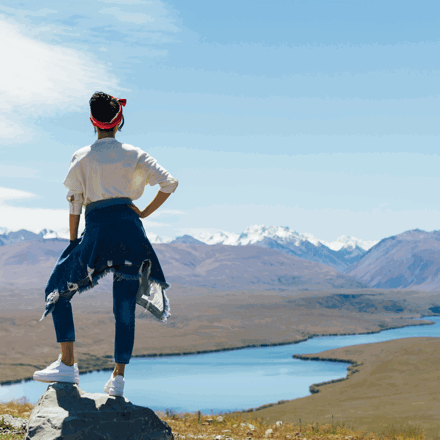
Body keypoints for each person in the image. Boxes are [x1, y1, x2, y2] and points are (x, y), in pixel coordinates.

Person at [33, 92, 178, 397]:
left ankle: (68, 365)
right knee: (123, 307)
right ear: (119, 120)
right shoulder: (135, 154)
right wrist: (143, 211)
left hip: (97, 232)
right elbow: (170, 183)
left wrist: (74, 243)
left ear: (92, 122)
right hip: (130, 232)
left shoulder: (81, 157)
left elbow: (74, 203)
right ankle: (118, 380)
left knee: (57, 289)